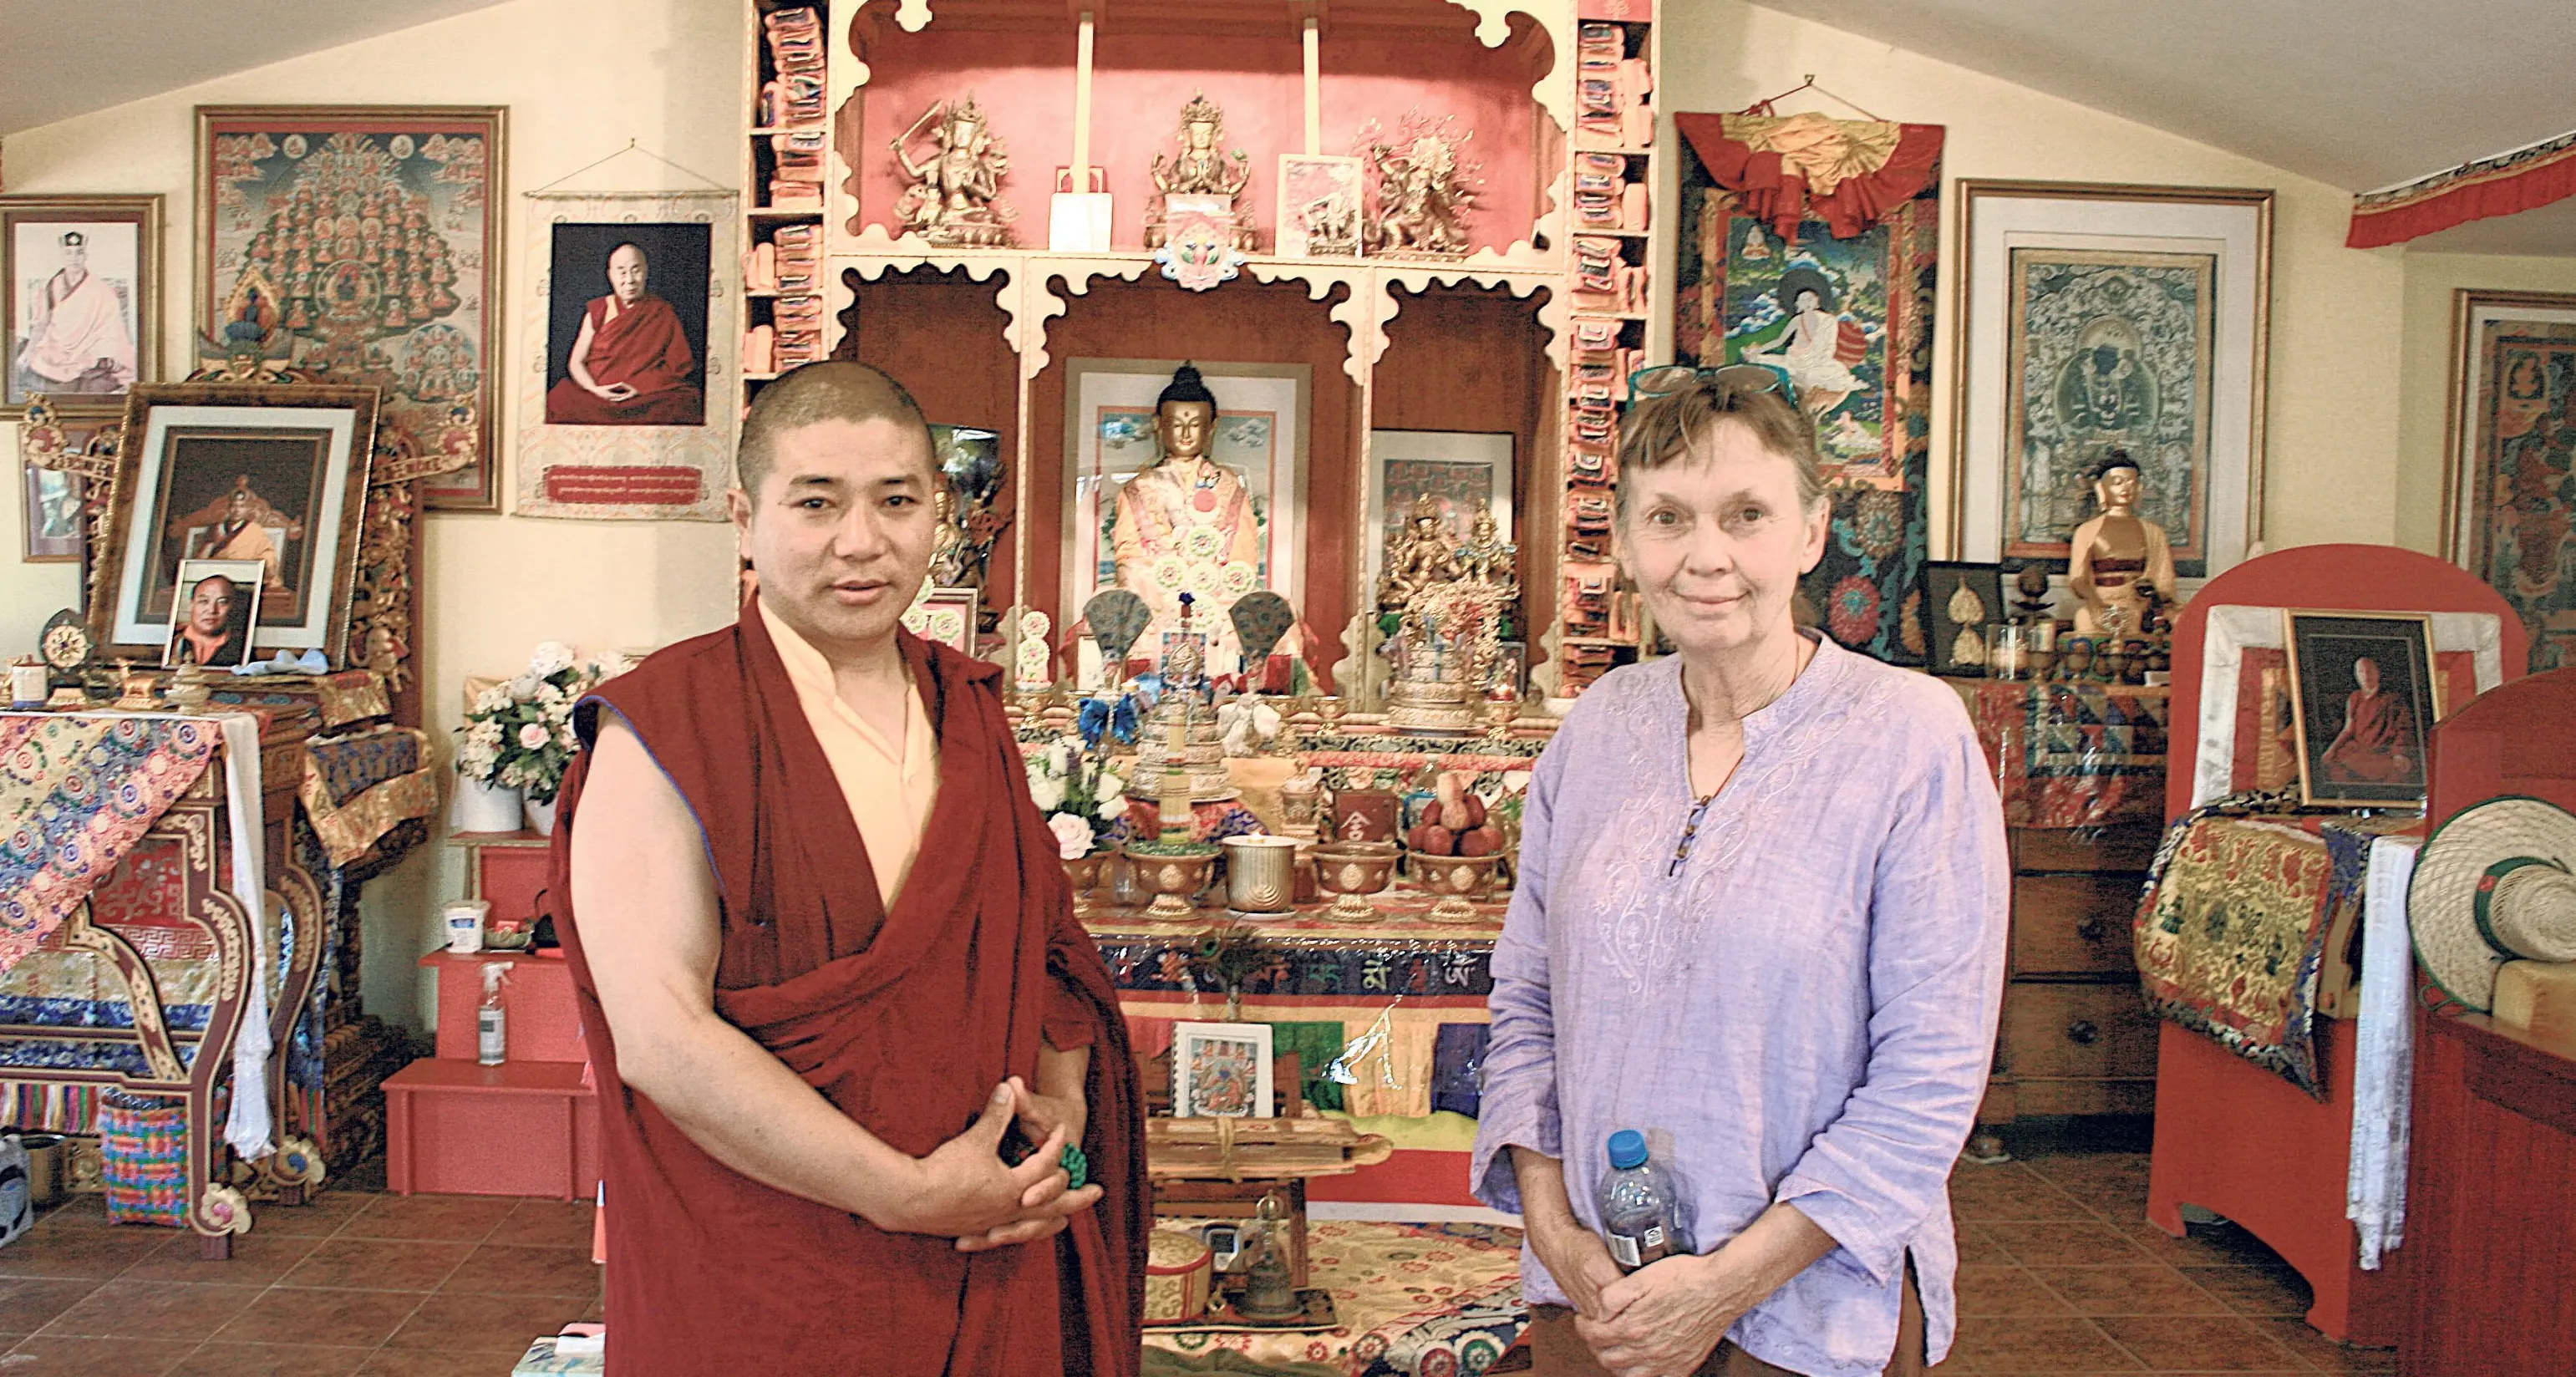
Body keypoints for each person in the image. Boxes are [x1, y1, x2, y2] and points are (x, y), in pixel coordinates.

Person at [551, 360, 1146, 1375]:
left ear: (937, 512)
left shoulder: (967, 708)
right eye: (815, 503)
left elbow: (1044, 950)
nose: (861, 541)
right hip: (764, 1265)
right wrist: (901, 1192)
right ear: (743, 516)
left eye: (896, 501)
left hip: (986, 1244)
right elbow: (662, 1038)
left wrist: (1060, 1113)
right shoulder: (667, 724)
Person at [1474, 367, 2009, 1377]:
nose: (1705, 556)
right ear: (1626, 543)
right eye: (1667, 517)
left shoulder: (1907, 736)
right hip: (1598, 1301)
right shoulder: (1597, 729)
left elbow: (1928, 1073)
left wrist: (1724, 1287)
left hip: (1799, 1313)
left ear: (1809, 533)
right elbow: (1526, 1003)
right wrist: (1557, 1238)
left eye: (1746, 514)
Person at [1107, 362, 1262, 660]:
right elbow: (1128, 560)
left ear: (1212, 426)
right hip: (1156, 601)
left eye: (1196, 424)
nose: (1186, 433)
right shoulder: (1139, 488)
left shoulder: (1229, 487)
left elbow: (1244, 560)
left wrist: (1216, 588)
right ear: (1158, 424)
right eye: (1176, 424)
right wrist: (1167, 590)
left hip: (1217, 603)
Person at [544, 242, 705, 426]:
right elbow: (576, 361)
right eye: (621, 272)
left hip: (643, 396)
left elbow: (679, 365)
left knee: (685, 402)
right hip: (596, 397)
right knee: (558, 399)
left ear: (646, 272)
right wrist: (594, 389)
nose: (629, 280)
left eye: (636, 270)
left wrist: (639, 387)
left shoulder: (662, 312)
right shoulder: (598, 310)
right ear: (610, 275)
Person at [2064, 450, 2177, 638]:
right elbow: (2078, 579)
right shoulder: (2086, 530)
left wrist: (2154, 595)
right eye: (2117, 483)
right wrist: (2095, 603)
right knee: (2083, 617)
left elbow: (2165, 582)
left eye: (2131, 483)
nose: (2125, 489)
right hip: (2102, 603)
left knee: (2176, 619)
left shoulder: (2153, 532)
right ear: (2101, 488)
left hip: (2140, 606)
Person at [13, 230, 135, 396]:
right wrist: (29, 351)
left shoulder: (101, 291)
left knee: (96, 376)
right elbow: (41, 323)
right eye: (69, 253)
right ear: (63, 257)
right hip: (56, 348)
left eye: (79, 253)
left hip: (87, 351)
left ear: (86, 256)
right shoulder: (52, 287)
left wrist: (102, 352)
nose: (74, 258)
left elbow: (111, 329)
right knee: (33, 365)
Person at [1741, 272, 1867, 424]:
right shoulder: (1797, 320)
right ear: (1797, 304)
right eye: (1802, 299)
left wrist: (1819, 359)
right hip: (1795, 359)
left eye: (1810, 299)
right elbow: (1779, 341)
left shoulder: (1828, 321)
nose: (1807, 302)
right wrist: (1758, 351)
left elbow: (1830, 345)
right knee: (1762, 363)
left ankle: (1812, 413)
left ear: (1818, 302)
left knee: (1832, 375)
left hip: (1818, 361)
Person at [2319, 656, 2419, 784]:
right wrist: (2331, 750)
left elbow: (2404, 729)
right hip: (2359, 750)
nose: (2365, 676)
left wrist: (2398, 753)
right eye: (2361, 672)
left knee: (2395, 770)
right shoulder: (2354, 698)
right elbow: (2348, 729)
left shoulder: (2392, 699)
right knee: (2334, 763)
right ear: (2356, 675)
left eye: (2369, 671)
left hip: (2382, 751)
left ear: (2377, 673)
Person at [165, 572, 252, 668]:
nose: (212, 610)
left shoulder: (243, 646)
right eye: (204, 601)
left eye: (222, 602)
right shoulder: (171, 641)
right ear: (191, 604)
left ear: (233, 607)